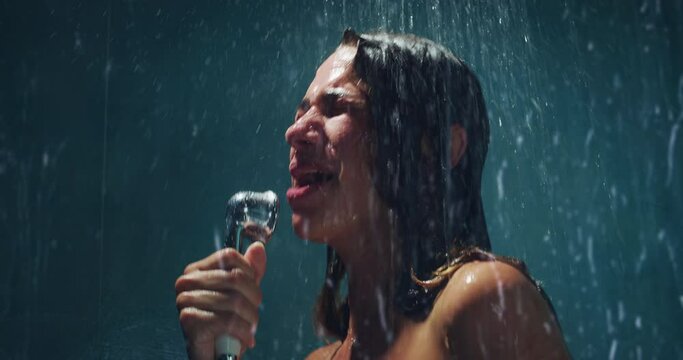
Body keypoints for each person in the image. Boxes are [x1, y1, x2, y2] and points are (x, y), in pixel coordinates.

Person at [175, 29, 571, 359]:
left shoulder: (484, 299)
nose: (294, 132)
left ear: (435, 147)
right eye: (301, 112)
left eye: (337, 107)